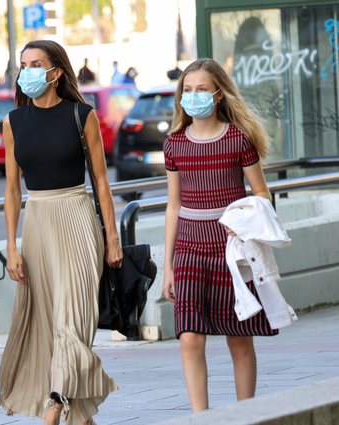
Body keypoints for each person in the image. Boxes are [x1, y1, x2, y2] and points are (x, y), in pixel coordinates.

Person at [0, 39, 121, 425]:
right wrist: (12, 247)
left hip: (78, 218)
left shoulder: (80, 114)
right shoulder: (13, 121)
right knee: (48, 325)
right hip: (37, 224)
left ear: (56, 72)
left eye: (37, 64)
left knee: (74, 321)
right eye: (24, 65)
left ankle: (55, 403)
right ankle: (78, 415)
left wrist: (112, 238)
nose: (28, 71)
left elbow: (101, 181)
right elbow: (12, 190)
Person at [162, 58, 276, 412]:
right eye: (188, 90)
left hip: (232, 250)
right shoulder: (175, 144)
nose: (193, 96)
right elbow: (173, 206)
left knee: (239, 339)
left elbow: (262, 194)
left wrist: (239, 217)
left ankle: (246, 415)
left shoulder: (238, 139)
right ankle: (202, 418)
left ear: (219, 94)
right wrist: (167, 266)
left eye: (201, 89)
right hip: (190, 250)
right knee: (189, 338)